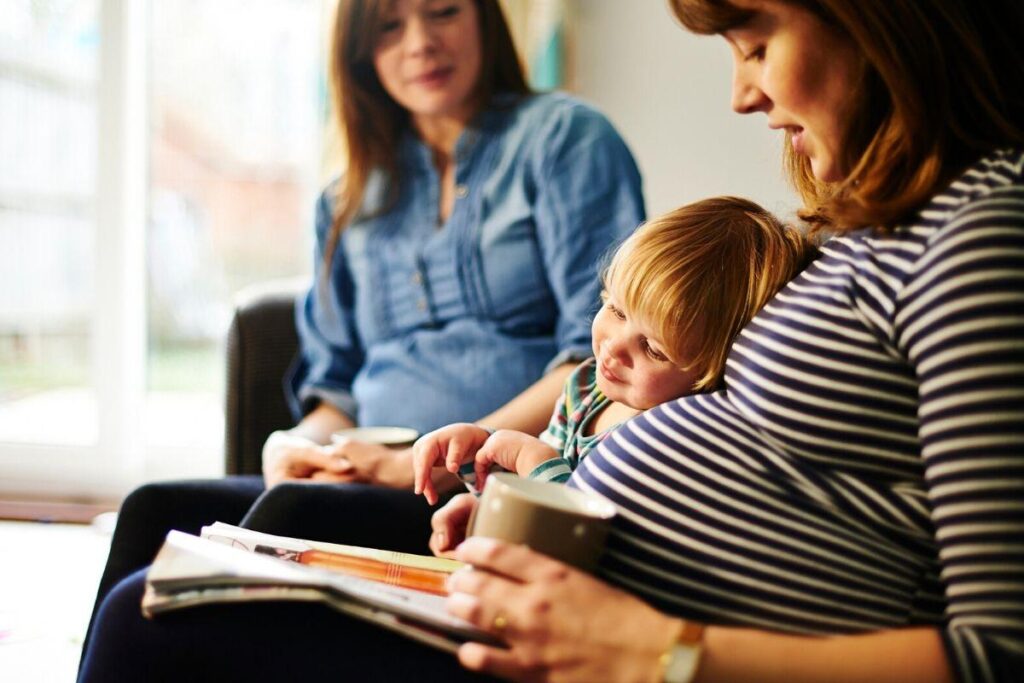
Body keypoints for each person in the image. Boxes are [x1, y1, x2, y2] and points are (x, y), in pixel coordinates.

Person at [79, 0, 1024, 681]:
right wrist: (517, 488)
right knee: (195, 538)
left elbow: (996, 642)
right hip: (550, 558)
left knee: (153, 618)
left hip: (625, 637)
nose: (741, 94)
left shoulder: (981, 233)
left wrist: (654, 649)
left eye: (756, 39)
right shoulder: (869, 232)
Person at [80, 0, 643, 661]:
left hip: (481, 488)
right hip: (367, 473)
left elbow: (597, 360)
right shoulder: (347, 194)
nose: (420, 44)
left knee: (282, 523)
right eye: (389, 28)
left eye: (443, 13)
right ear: (359, 53)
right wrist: (293, 444)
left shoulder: (566, 140)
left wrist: (420, 461)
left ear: (485, 19)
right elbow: (336, 389)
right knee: (150, 508)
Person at [411, 197, 812, 505]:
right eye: (616, 309)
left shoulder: (667, 436)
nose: (614, 347)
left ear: (710, 371)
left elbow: (580, 534)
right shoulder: (586, 387)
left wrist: (531, 460)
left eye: (654, 350)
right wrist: (479, 459)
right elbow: (534, 493)